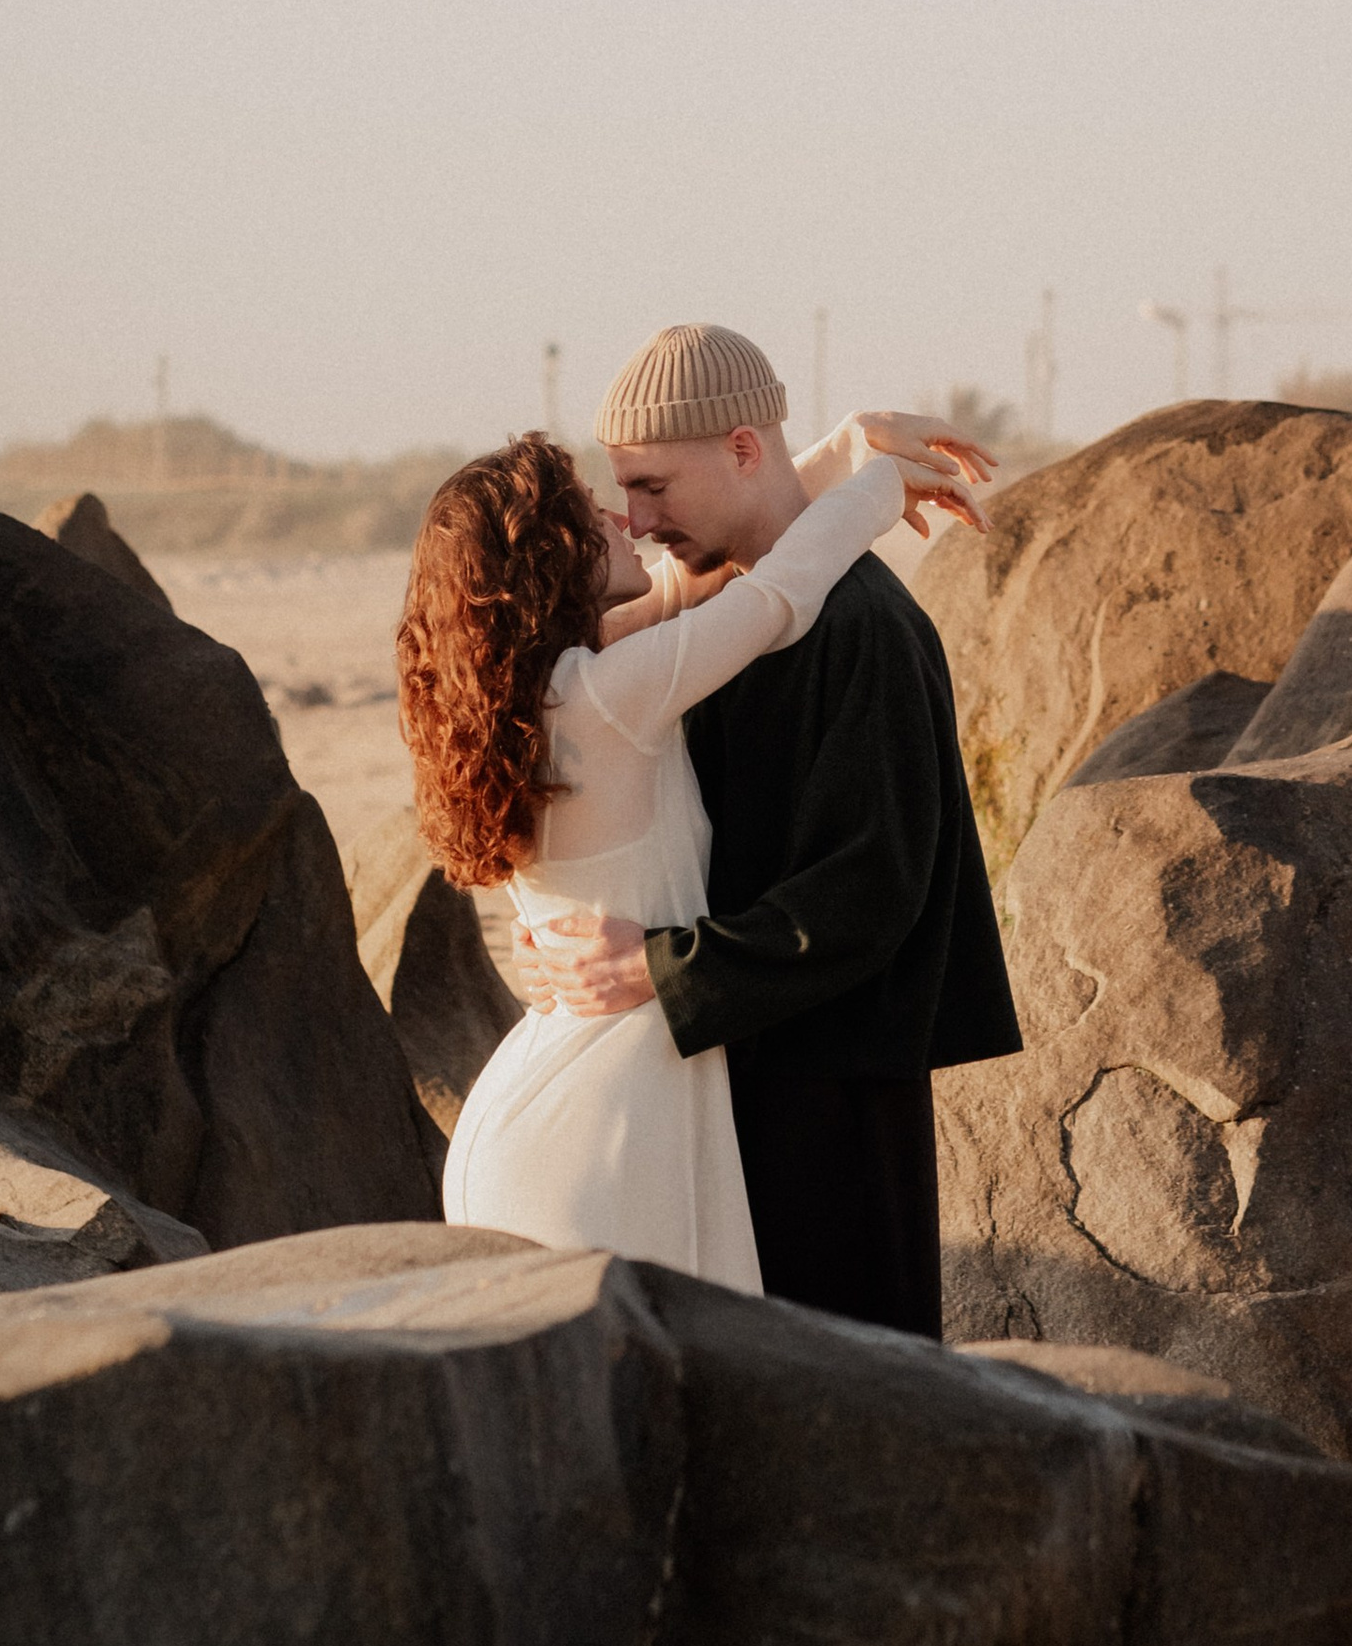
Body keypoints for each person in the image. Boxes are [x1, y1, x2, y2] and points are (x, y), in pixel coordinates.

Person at [398, 395, 975, 1290]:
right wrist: (878, 485)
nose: (627, 523)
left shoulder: (533, 694)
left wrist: (849, 447)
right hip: (610, 1113)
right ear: (556, 560)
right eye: (599, 514)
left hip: (538, 1103)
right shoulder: (609, 693)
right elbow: (778, 592)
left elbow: (697, 574)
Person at [517, 321, 1022, 1340]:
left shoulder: (866, 627)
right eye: (626, 489)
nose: (638, 516)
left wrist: (659, 968)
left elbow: (872, 888)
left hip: (830, 1107)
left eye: (655, 486)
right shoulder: (698, 608)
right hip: (712, 1084)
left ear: (743, 447)